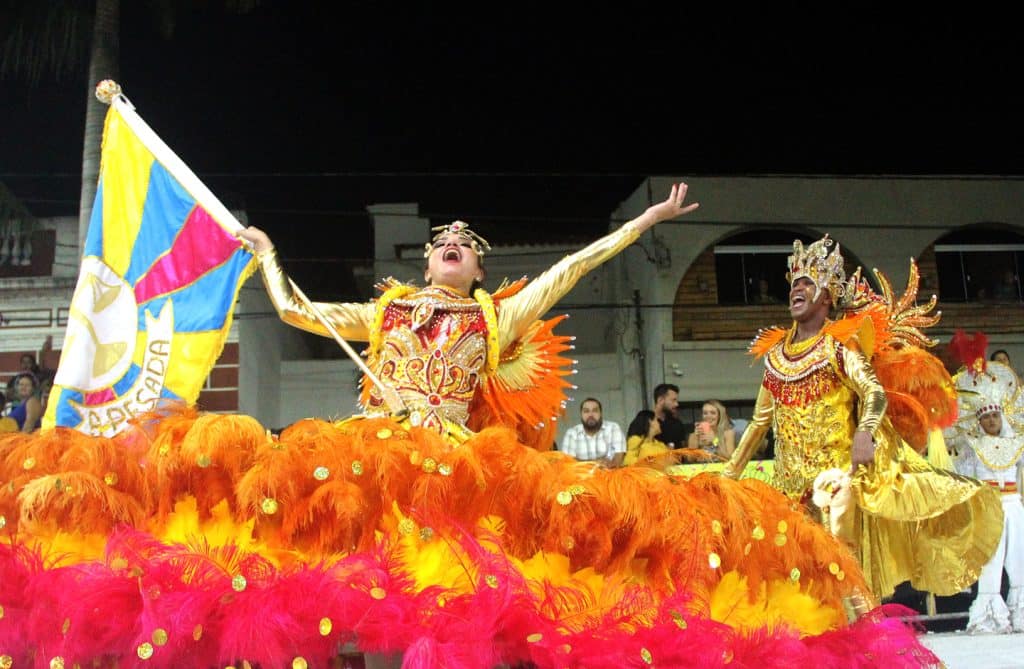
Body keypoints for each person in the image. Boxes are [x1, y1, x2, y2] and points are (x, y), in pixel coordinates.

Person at [0, 191, 946, 667]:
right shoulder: (392, 307)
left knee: (455, 582)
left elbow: (572, 268)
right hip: (373, 450)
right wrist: (266, 255)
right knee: (339, 559)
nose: (453, 247)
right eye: (442, 242)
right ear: (425, 258)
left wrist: (645, 223)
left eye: (467, 245)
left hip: (457, 461)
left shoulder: (494, 316)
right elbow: (295, 314)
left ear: (477, 266)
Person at [724, 235, 1003, 601]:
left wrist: (865, 433)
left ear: (827, 297)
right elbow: (760, 422)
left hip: (836, 481)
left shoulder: (838, 347)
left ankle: (866, 649)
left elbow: (873, 392)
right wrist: (728, 474)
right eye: (794, 284)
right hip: (789, 490)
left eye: (808, 283)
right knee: (794, 577)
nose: (798, 289)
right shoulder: (776, 358)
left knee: (839, 568)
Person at [945, 333, 1024, 634]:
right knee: (989, 563)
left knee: (1019, 561)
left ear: (1002, 417)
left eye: (994, 417)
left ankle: (1019, 614)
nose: (990, 422)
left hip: (1014, 506)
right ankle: (988, 617)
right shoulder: (971, 446)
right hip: (987, 508)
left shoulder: (1017, 442)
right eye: (985, 418)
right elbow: (956, 471)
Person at [560, 397, 626, 466]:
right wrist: (596, 463)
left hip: (610, 475)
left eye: (595, 410)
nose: (590, 415)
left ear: (601, 413)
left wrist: (582, 463)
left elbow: (617, 461)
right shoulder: (572, 433)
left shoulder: (613, 428)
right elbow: (568, 463)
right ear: (581, 415)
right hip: (581, 476)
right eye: (586, 411)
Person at [652, 382, 686, 448]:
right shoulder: (644, 424)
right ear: (660, 400)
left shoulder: (677, 424)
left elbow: (683, 451)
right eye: (673, 400)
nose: (677, 404)